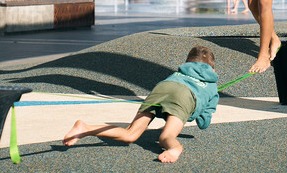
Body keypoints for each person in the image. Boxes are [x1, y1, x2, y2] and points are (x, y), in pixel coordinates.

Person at [63, 45, 218, 163]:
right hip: (184, 96)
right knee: (166, 136)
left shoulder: (180, 72)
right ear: (213, 68)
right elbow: (204, 123)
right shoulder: (212, 87)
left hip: (163, 87)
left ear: (187, 62)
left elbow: (171, 91)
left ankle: (86, 128)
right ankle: (175, 148)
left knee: (130, 133)